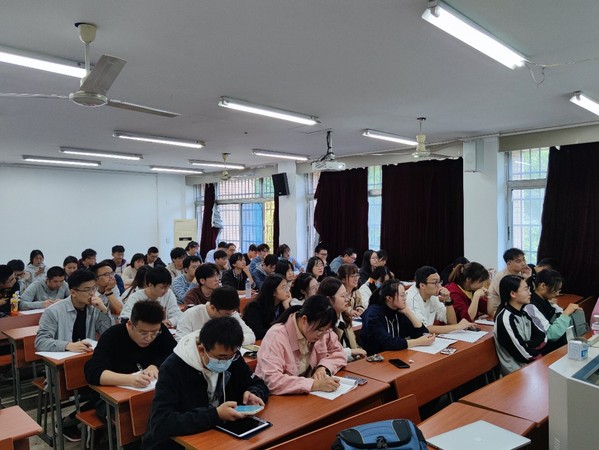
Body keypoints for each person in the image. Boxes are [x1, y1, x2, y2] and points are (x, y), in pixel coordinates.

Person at [142, 317, 269, 450]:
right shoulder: (173, 368)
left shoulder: (231, 357)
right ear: (202, 349)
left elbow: (258, 383)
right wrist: (215, 414)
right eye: (220, 357)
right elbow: (161, 423)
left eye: (231, 356)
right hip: (175, 444)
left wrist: (254, 393)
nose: (226, 362)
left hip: (217, 436)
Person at [255, 295, 346, 395]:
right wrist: (314, 384)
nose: (322, 336)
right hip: (281, 398)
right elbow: (272, 381)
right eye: (319, 331)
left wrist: (323, 367)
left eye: (327, 330)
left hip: (309, 396)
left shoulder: (322, 328)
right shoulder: (276, 337)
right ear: (304, 320)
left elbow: (339, 353)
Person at [84, 300, 176, 393]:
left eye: (154, 333)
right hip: (117, 394)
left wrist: (155, 366)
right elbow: (93, 372)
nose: (149, 338)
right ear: (130, 324)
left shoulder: (160, 330)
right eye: (143, 333)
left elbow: (174, 353)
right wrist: (130, 380)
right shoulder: (112, 335)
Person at [35, 269, 112, 352]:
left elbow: (109, 336)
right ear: (73, 292)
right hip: (64, 357)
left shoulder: (95, 308)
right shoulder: (53, 311)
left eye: (94, 288)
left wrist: (104, 310)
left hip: (88, 355)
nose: (92, 293)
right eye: (87, 290)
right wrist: (67, 345)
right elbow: (40, 342)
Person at [360, 279, 435, 355]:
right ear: (389, 298)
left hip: (396, 353)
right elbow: (386, 343)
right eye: (402, 295)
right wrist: (418, 342)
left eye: (405, 294)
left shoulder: (399, 310)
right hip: (376, 357)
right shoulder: (373, 314)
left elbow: (423, 334)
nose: (405, 298)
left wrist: (408, 312)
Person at [494, 275, 547, 375]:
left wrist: (527, 344)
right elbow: (523, 354)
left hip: (530, 366)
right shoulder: (505, 319)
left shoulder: (524, 313)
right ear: (513, 294)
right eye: (526, 290)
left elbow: (543, 337)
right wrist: (530, 347)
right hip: (516, 372)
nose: (530, 293)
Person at [524, 269, 580, 355]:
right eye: (555, 290)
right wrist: (566, 313)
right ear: (543, 286)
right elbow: (551, 335)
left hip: (556, 347)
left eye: (559, 290)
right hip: (546, 351)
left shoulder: (545, 301)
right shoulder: (530, 306)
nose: (557, 294)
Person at [176, 285, 255, 344]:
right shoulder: (191, 314)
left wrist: (231, 340)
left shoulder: (231, 313)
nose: (229, 317)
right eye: (226, 314)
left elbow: (251, 336)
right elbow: (181, 342)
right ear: (213, 307)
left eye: (232, 313)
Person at [406, 266, 472, 334]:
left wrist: (448, 300)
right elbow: (424, 329)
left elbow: (452, 322)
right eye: (435, 283)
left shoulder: (433, 296)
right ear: (422, 285)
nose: (440, 286)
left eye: (440, 281)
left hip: (426, 337)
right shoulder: (411, 298)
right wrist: (457, 327)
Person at [318, 277, 366, 361]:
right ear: (329, 300)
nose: (347, 299)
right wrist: (351, 352)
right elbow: (326, 355)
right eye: (343, 296)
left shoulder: (345, 318)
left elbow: (355, 346)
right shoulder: (322, 326)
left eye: (347, 295)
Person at [243, 274, 291, 340]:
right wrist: (280, 333)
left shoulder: (283, 304)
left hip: (276, 339)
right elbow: (258, 333)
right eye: (284, 288)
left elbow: (292, 327)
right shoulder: (255, 306)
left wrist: (287, 307)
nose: (288, 291)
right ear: (273, 292)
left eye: (287, 287)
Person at [487, 248, 532, 315]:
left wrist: (527, 279)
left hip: (513, 308)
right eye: (518, 261)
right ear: (508, 263)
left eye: (524, 260)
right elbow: (511, 298)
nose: (523, 263)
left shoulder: (520, 274)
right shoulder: (501, 277)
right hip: (498, 311)